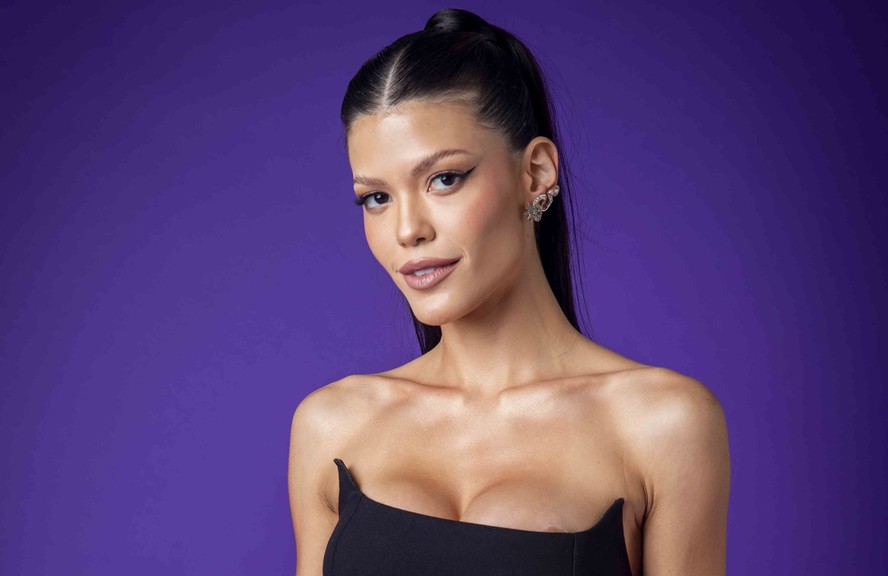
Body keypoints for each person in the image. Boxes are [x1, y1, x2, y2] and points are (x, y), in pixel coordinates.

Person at [288, 8, 730, 576]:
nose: (407, 230)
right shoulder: (333, 424)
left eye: (444, 178)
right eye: (377, 198)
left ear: (536, 172)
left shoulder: (661, 424)